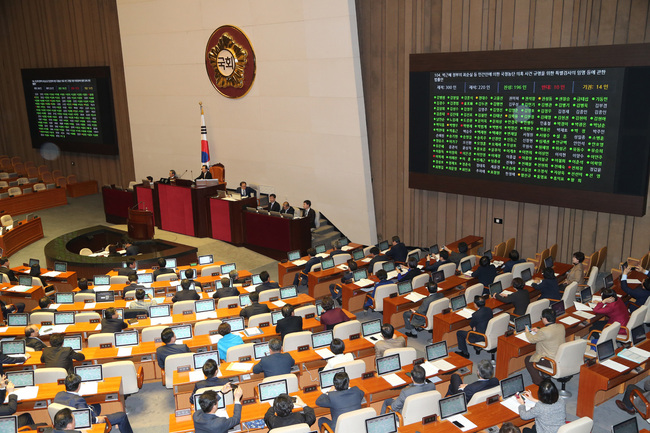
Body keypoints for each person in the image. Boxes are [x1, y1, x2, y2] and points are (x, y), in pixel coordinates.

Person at [54, 373, 134, 433]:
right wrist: (96, 420)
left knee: (97, 405)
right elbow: (86, 420)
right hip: (86, 422)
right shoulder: (78, 401)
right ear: (79, 386)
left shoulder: (59, 394)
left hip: (67, 419)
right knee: (122, 416)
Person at [524, 308, 565, 386]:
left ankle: (539, 383)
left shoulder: (544, 331)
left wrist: (527, 332)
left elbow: (532, 340)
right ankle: (545, 376)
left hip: (550, 360)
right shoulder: (561, 326)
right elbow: (551, 333)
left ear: (545, 319)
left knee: (528, 360)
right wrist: (539, 330)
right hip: (560, 357)